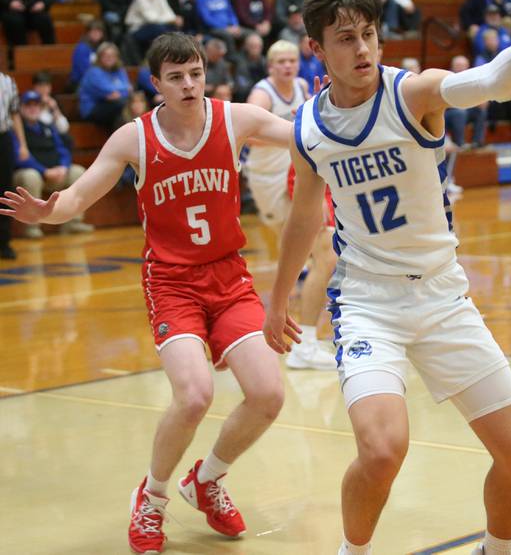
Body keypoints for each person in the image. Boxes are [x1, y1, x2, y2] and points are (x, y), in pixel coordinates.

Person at [265, 0, 511, 555]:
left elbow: (492, 82)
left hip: (443, 297)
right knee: (381, 449)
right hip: (369, 302)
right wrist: (277, 302)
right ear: (318, 50)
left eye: (369, 34)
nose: (363, 49)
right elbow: (303, 219)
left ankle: (499, 549)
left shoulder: (413, 93)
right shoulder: (309, 130)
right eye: (345, 38)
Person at [0, 32, 293, 554]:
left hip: (229, 277)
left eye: (196, 73)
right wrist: (50, 212)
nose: (188, 85)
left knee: (269, 394)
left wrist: (333, 113)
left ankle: (207, 480)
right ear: (155, 83)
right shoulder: (133, 138)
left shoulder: (236, 119)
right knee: (195, 394)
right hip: (173, 284)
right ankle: (152, 498)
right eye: (176, 77)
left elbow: (301, 135)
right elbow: (82, 194)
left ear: (206, 74)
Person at [246, 40, 337, 370]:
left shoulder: (302, 86)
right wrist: (295, 126)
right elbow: (249, 134)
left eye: (292, 60)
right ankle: (305, 343)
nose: (287, 66)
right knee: (324, 253)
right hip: (270, 183)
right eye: (280, 61)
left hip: (295, 175)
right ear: (270, 66)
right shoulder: (262, 94)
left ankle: (309, 340)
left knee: (327, 252)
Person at [12, 90, 93, 238]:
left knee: (78, 171)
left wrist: (63, 167)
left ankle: (74, 222)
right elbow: (21, 158)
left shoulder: (48, 127)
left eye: (36, 105)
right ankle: (32, 227)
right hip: (30, 173)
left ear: (41, 108)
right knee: (30, 176)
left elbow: (63, 149)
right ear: (21, 108)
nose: (32, 108)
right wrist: (44, 171)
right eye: (28, 105)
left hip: (55, 172)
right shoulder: (17, 130)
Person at [0, 70, 29, 260]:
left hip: (3, 138)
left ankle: (4, 242)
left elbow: (15, 114)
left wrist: (23, 144)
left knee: (4, 189)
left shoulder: (8, 81)